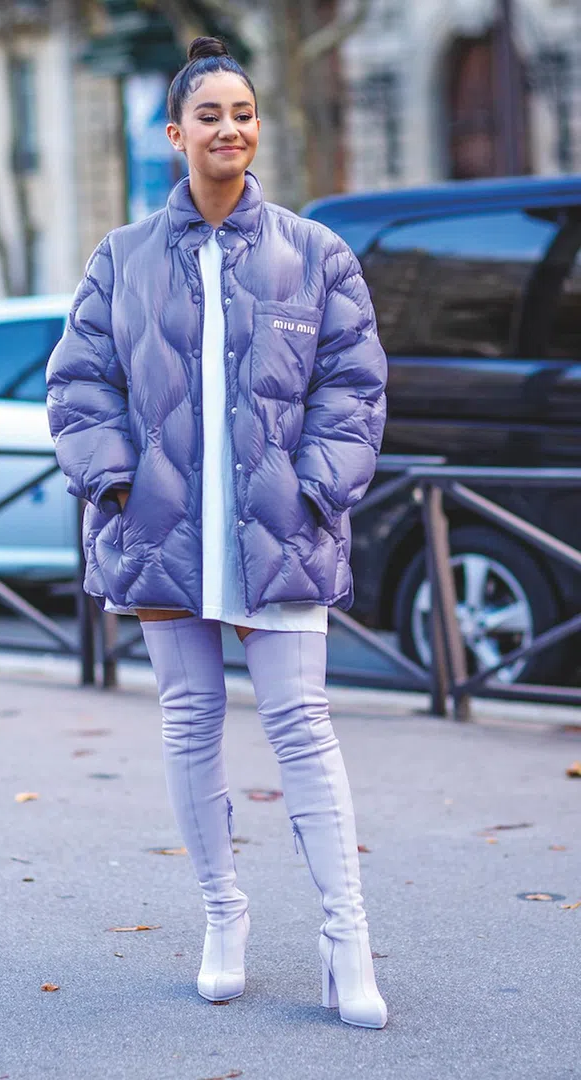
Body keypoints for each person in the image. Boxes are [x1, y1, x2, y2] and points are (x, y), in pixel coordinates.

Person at [46, 36, 388, 1029]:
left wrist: (318, 489)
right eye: (209, 115)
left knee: (303, 727)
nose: (229, 128)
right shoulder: (121, 258)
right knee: (190, 721)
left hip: (279, 528)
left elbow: (354, 386)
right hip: (162, 529)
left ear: (256, 127)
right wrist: (115, 483)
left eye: (242, 113)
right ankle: (222, 916)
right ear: (176, 133)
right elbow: (79, 383)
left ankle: (346, 941)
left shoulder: (314, 253)